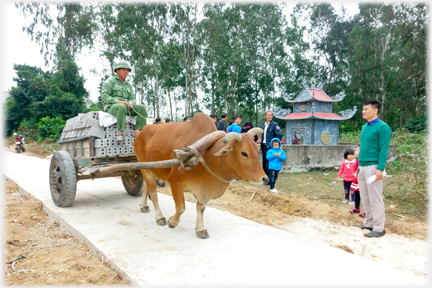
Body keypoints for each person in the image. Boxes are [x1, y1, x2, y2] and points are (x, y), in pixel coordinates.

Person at [357, 99, 391, 238]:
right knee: (365, 197)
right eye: (363, 109)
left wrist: (380, 168)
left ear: (375, 110)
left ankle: (379, 227)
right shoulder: (365, 127)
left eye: (366, 109)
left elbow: (384, 149)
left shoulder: (383, 127)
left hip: (373, 167)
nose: (363, 111)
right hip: (362, 166)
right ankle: (369, 222)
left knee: (375, 198)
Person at [101, 61, 147, 141]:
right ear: (117, 70)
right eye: (123, 69)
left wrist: (130, 103)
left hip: (126, 108)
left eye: (127, 70)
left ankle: (137, 130)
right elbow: (105, 97)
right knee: (121, 107)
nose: (126, 72)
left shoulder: (128, 85)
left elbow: (132, 98)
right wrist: (119, 102)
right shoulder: (109, 81)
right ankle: (120, 132)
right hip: (112, 107)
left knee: (142, 107)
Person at [260, 110, 283, 177]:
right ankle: (265, 177)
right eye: (268, 115)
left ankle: (269, 178)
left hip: (270, 147)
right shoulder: (264, 125)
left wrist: (273, 144)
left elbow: (280, 134)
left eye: (271, 115)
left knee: (269, 163)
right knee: (264, 162)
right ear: (265, 116)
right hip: (264, 146)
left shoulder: (274, 125)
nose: (269, 116)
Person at [349, 144, 365, 218]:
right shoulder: (357, 161)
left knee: (364, 196)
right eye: (355, 150)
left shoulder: (363, 161)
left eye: (357, 150)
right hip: (358, 180)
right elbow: (356, 170)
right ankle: (357, 208)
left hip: (363, 180)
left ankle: (367, 211)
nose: (355, 152)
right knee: (357, 194)